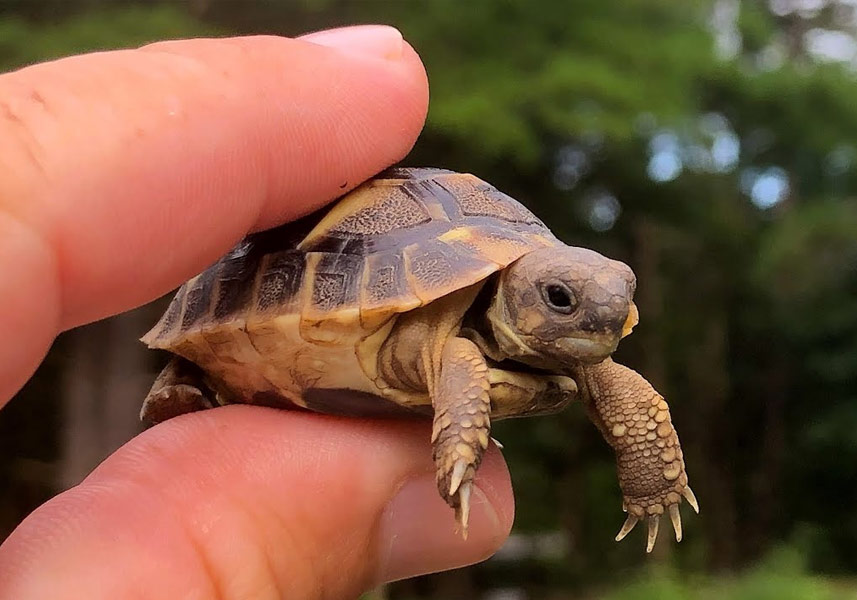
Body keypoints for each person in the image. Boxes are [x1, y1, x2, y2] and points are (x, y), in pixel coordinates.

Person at [0, 25, 514, 598]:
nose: (596, 320)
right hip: (308, 289)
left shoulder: (547, 352)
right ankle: (192, 376)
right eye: (559, 301)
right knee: (183, 408)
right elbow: (459, 359)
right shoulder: (458, 352)